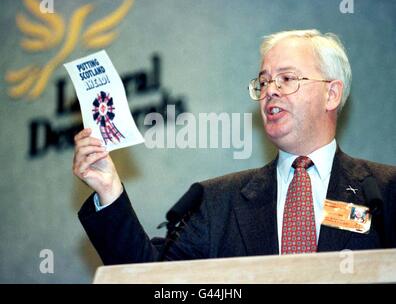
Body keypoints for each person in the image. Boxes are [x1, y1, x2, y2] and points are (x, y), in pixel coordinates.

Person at [73, 29, 396, 265]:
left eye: (286, 79)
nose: (270, 91)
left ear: (332, 94)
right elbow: (150, 278)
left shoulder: (383, 192)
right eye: (264, 81)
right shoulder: (215, 202)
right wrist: (108, 189)